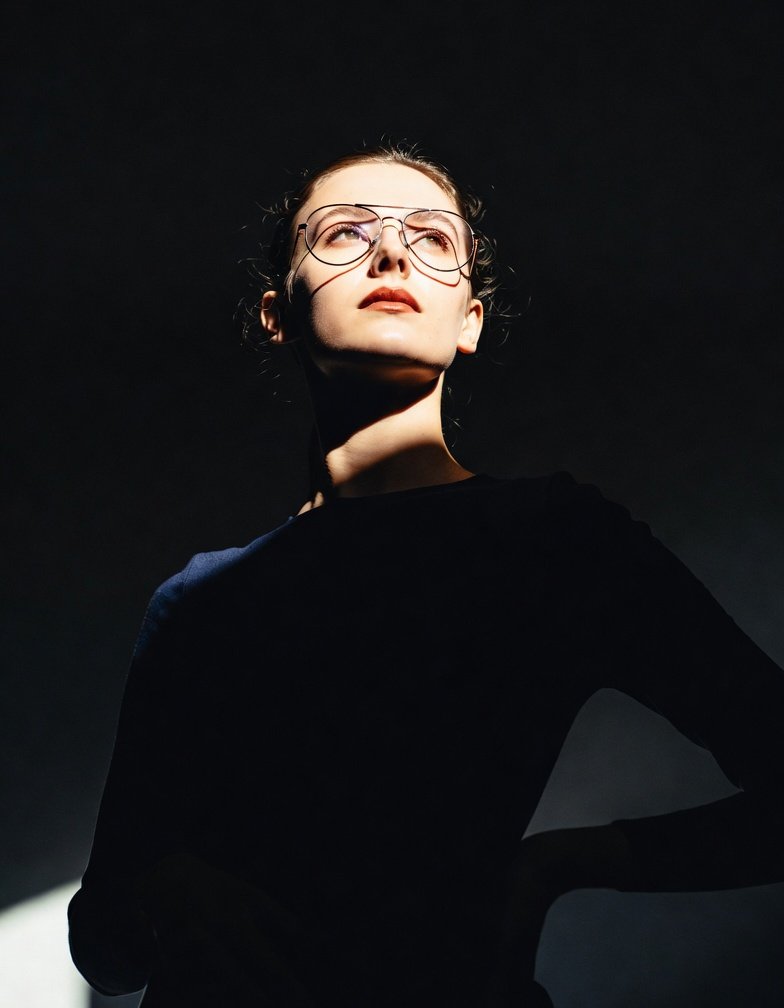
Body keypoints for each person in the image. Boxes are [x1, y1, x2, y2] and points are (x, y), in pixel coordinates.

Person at [68, 142, 784, 1007]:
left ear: (471, 320)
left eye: (434, 239)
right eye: (341, 232)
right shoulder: (196, 600)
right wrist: (161, 891)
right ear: (276, 313)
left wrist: (559, 862)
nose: (392, 252)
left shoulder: (554, 540)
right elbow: (103, 944)